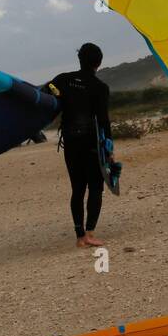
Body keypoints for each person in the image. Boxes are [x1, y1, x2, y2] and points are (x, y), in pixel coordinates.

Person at [47, 43, 112, 248]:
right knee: (95, 187)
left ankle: (79, 235)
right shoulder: (100, 88)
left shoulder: (63, 80)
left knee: (77, 188)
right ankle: (90, 234)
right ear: (98, 63)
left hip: (71, 141)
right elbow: (103, 121)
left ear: (80, 60)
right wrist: (109, 150)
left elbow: (46, 92)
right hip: (91, 143)